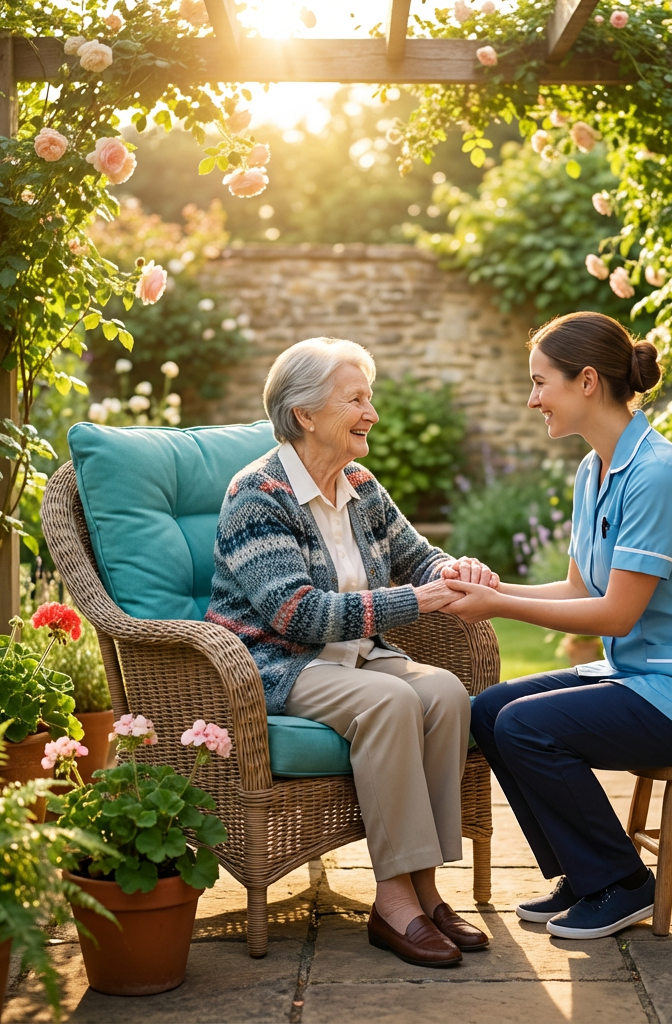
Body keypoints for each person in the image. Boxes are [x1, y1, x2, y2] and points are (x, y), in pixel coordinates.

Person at [443, 311, 672, 940]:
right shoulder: (596, 469)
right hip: (641, 679)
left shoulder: (657, 474)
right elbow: (580, 588)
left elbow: (616, 613)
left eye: (539, 383)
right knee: (490, 711)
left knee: (527, 726)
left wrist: (500, 609)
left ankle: (622, 882)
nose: (532, 399)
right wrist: (493, 587)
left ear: (587, 381)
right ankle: (586, 874)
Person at [206, 337, 496, 968]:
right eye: (355, 400)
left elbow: (420, 557)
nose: (371, 413)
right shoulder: (257, 495)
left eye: (370, 397)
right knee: (391, 701)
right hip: (277, 663)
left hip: (357, 655)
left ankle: (426, 891)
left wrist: (455, 569)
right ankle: (393, 906)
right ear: (305, 414)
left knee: (446, 692)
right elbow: (299, 615)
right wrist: (419, 601)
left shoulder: (358, 482)